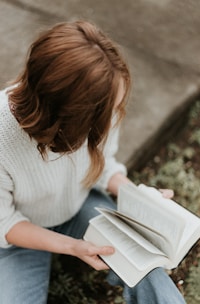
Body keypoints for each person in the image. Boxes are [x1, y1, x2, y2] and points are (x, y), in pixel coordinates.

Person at [0, 20, 186, 304]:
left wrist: (139, 198)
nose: (114, 115)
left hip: (80, 207)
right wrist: (74, 247)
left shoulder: (105, 99)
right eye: (106, 112)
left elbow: (103, 167)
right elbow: (6, 223)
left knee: (149, 272)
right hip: (19, 236)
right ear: (69, 113)